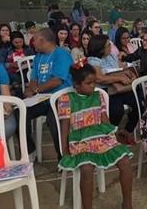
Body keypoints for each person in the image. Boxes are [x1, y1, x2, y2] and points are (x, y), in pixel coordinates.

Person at [58, 61, 133, 209]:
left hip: (102, 138)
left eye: (94, 82)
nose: (93, 86)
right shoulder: (66, 99)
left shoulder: (99, 96)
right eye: (88, 83)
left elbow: (105, 121)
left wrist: (114, 138)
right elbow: (65, 127)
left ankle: (127, 204)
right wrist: (64, 150)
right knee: (86, 169)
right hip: (81, 142)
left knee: (125, 162)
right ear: (76, 85)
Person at [23, 28, 73, 160]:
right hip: (41, 98)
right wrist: (31, 90)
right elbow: (34, 78)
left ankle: (62, 156)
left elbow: (57, 80)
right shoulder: (39, 56)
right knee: (20, 112)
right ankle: (30, 150)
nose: (32, 43)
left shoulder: (62, 54)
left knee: (54, 120)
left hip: (61, 97)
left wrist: (36, 90)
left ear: (41, 40)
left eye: (34, 40)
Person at [87, 35, 139, 144]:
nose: (110, 46)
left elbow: (117, 69)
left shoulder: (110, 56)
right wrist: (119, 77)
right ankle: (110, 135)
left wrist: (126, 73)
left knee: (139, 103)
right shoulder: (93, 60)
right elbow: (99, 78)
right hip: (106, 91)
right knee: (116, 111)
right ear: (101, 48)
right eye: (107, 45)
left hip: (117, 87)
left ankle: (127, 130)